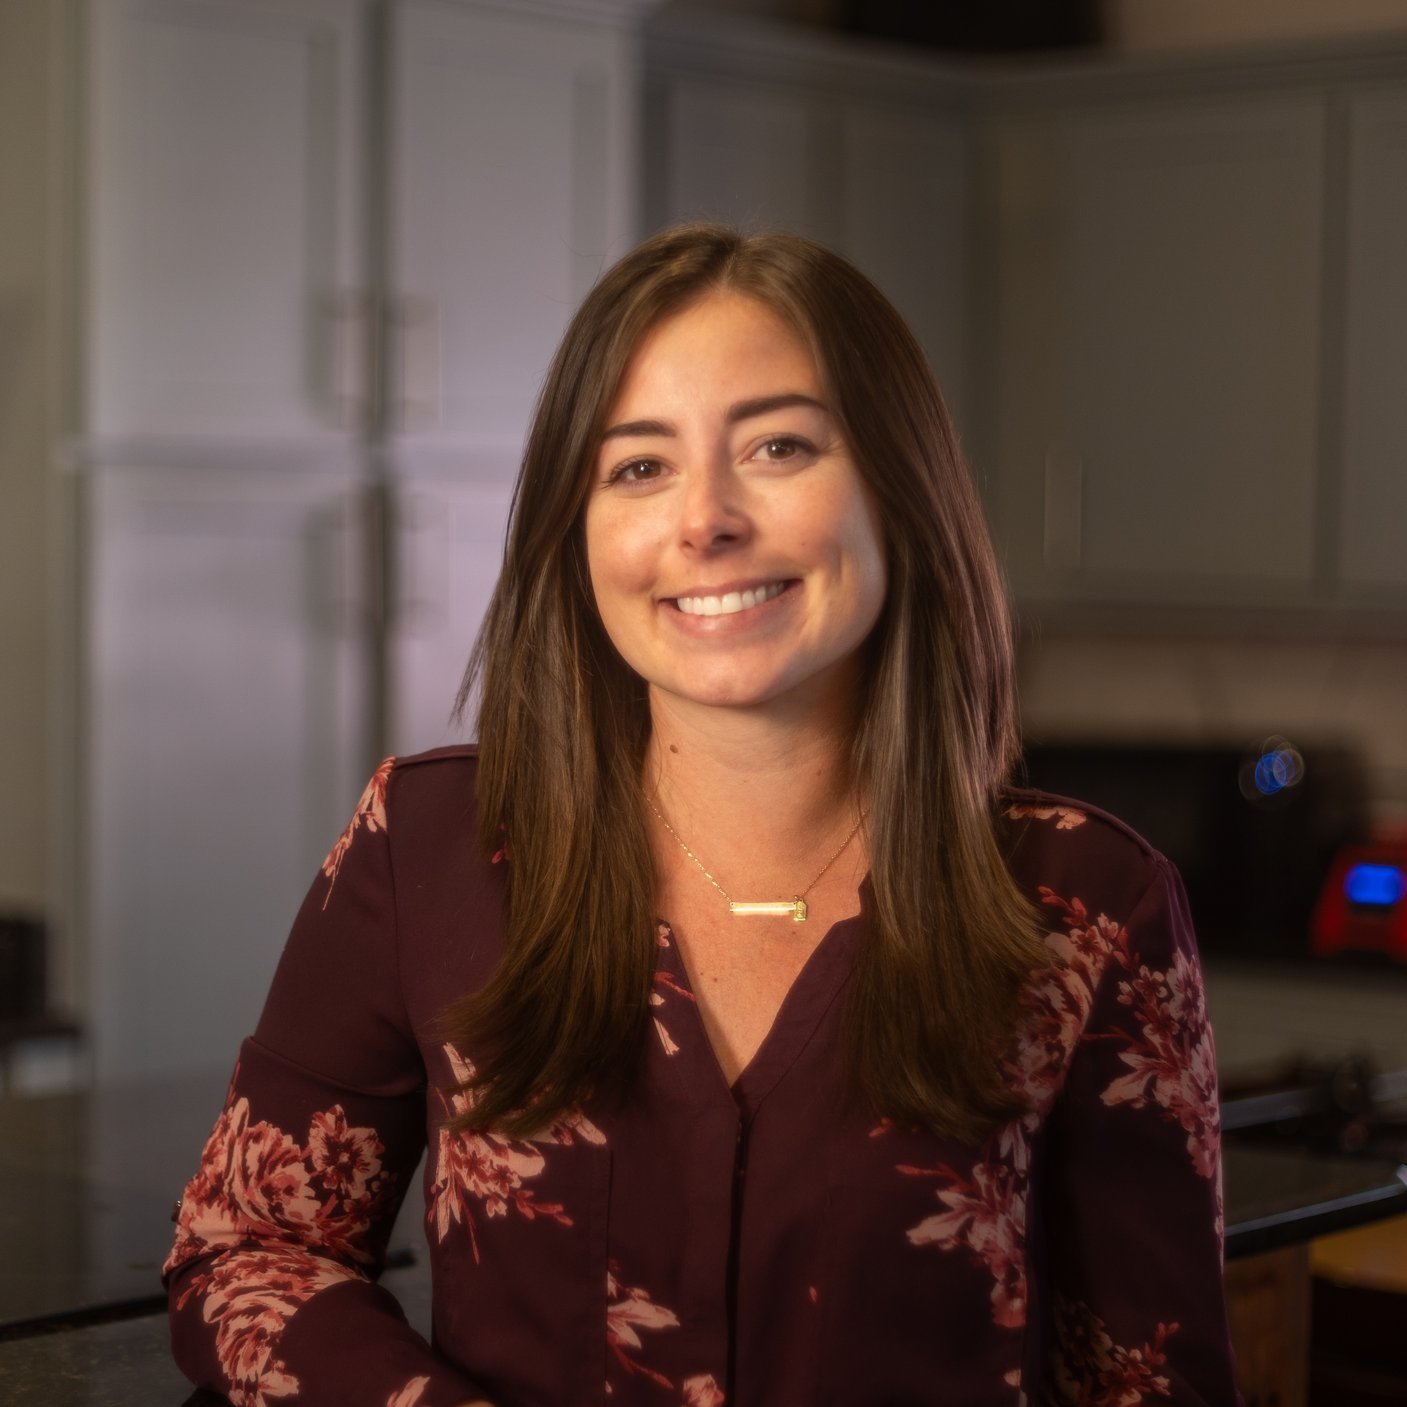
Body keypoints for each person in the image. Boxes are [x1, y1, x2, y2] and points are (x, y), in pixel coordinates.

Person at [166, 224, 1242, 1407]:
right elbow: (251, 1248)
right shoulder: (426, 845)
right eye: (638, 467)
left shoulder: (1088, 903)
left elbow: (1146, 1384)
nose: (705, 520)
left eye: (779, 446)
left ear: (901, 489)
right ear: (574, 534)